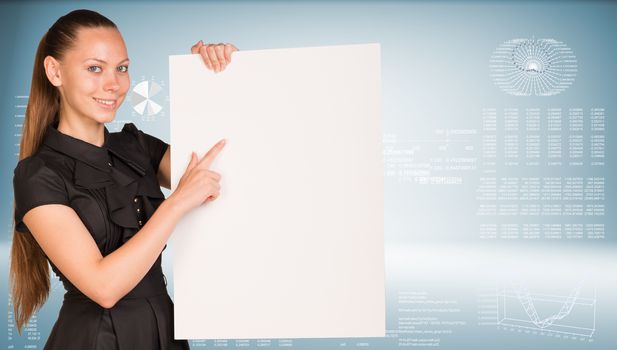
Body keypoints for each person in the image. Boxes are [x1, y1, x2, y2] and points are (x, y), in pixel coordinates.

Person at [9, 9, 238, 350]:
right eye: (94, 68)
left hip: (166, 331)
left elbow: (220, 170)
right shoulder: (38, 174)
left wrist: (208, 82)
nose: (114, 84)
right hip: (95, 339)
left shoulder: (138, 147)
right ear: (55, 71)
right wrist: (175, 205)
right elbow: (104, 288)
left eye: (122, 68)